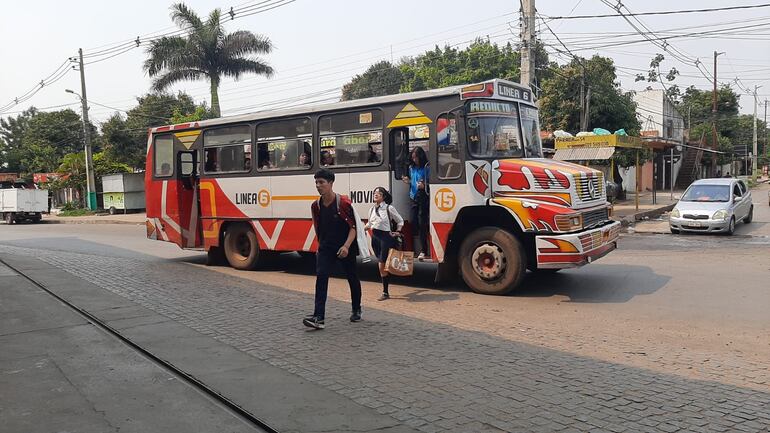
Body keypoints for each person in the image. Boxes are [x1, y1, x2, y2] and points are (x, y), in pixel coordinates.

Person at [303, 169, 363, 330]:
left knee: (352, 277)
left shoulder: (343, 203)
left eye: (321, 182)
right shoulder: (315, 206)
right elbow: (318, 227)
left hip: (345, 247)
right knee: (321, 278)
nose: (318, 186)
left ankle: (356, 309)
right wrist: (319, 246)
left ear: (331, 183)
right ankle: (319, 317)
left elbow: (353, 227)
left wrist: (346, 246)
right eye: (316, 182)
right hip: (326, 248)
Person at [365, 187, 404, 301]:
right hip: (375, 238)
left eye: (379, 193)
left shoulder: (389, 208)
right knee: (381, 263)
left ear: (384, 196)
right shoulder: (371, 209)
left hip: (385, 238)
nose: (376, 195)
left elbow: (400, 220)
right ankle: (386, 283)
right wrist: (362, 229)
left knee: (381, 264)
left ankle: (385, 292)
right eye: (374, 193)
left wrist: (398, 231)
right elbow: (370, 223)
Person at [402, 146, 430, 260]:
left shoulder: (427, 167)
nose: (414, 160)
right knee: (413, 221)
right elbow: (411, 180)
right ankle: (419, 246)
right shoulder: (411, 168)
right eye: (413, 158)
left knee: (422, 222)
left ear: (421, 157)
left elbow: (432, 182)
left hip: (423, 196)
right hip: (413, 196)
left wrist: (424, 186)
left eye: (416, 158)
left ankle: (424, 249)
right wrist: (407, 181)